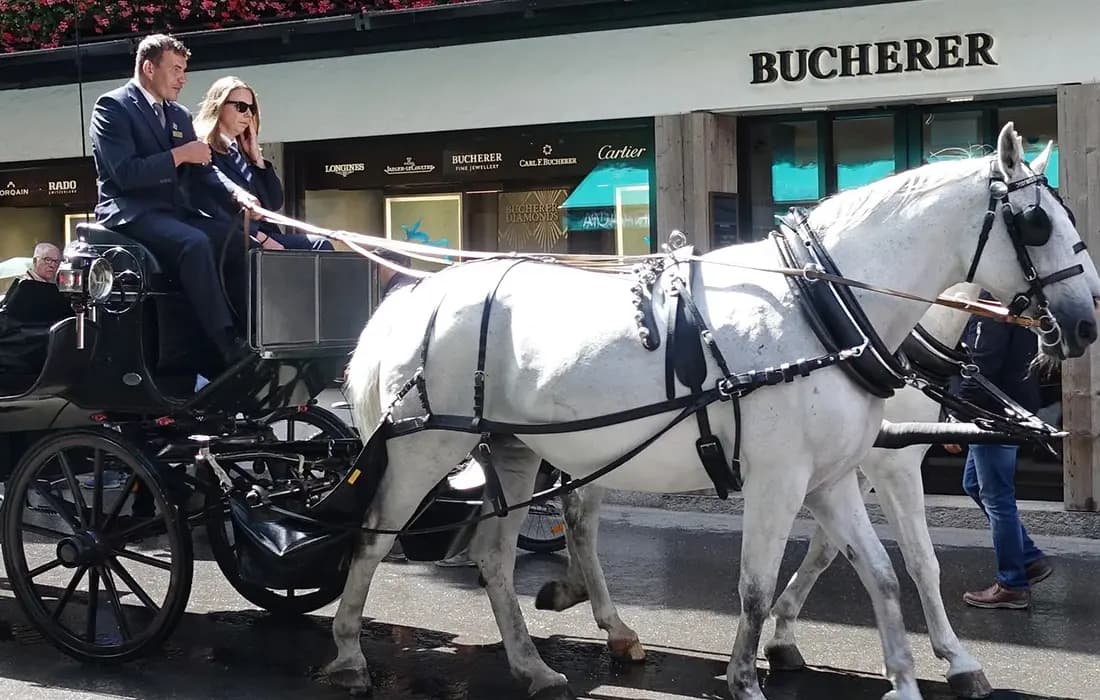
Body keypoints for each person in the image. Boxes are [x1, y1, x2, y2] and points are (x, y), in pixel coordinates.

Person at [88, 33, 259, 373]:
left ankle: (250, 331)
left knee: (240, 240)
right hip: (129, 211)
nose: (183, 78)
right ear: (149, 68)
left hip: (172, 213)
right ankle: (225, 342)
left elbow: (205, 171)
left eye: (184, 70)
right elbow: (125, 174)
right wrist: (179, 154)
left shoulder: (179, 115)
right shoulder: (112, 107)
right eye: (176, 69)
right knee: (193, 243)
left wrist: (236, 194)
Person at [950, 295, 1053, 609]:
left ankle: (1012, 584)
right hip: (1013, 406)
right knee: (974, 485)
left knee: (998, 498)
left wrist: (956, 414)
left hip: (993, 413)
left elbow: (979, 366)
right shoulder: (1017, 302)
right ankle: (1030, 558)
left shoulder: (989, 305)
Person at [192, 76, 332, 252]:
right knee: (318, 246)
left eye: (252, 109)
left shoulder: (241, 151)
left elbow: (273, 202)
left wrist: (256, 158)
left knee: (320, 244)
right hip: (239, 237)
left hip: (264, 234)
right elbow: (214, 207)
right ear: (219, 106)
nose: (248, 114)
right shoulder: (203, 148)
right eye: (241, 107)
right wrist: (261, 237)